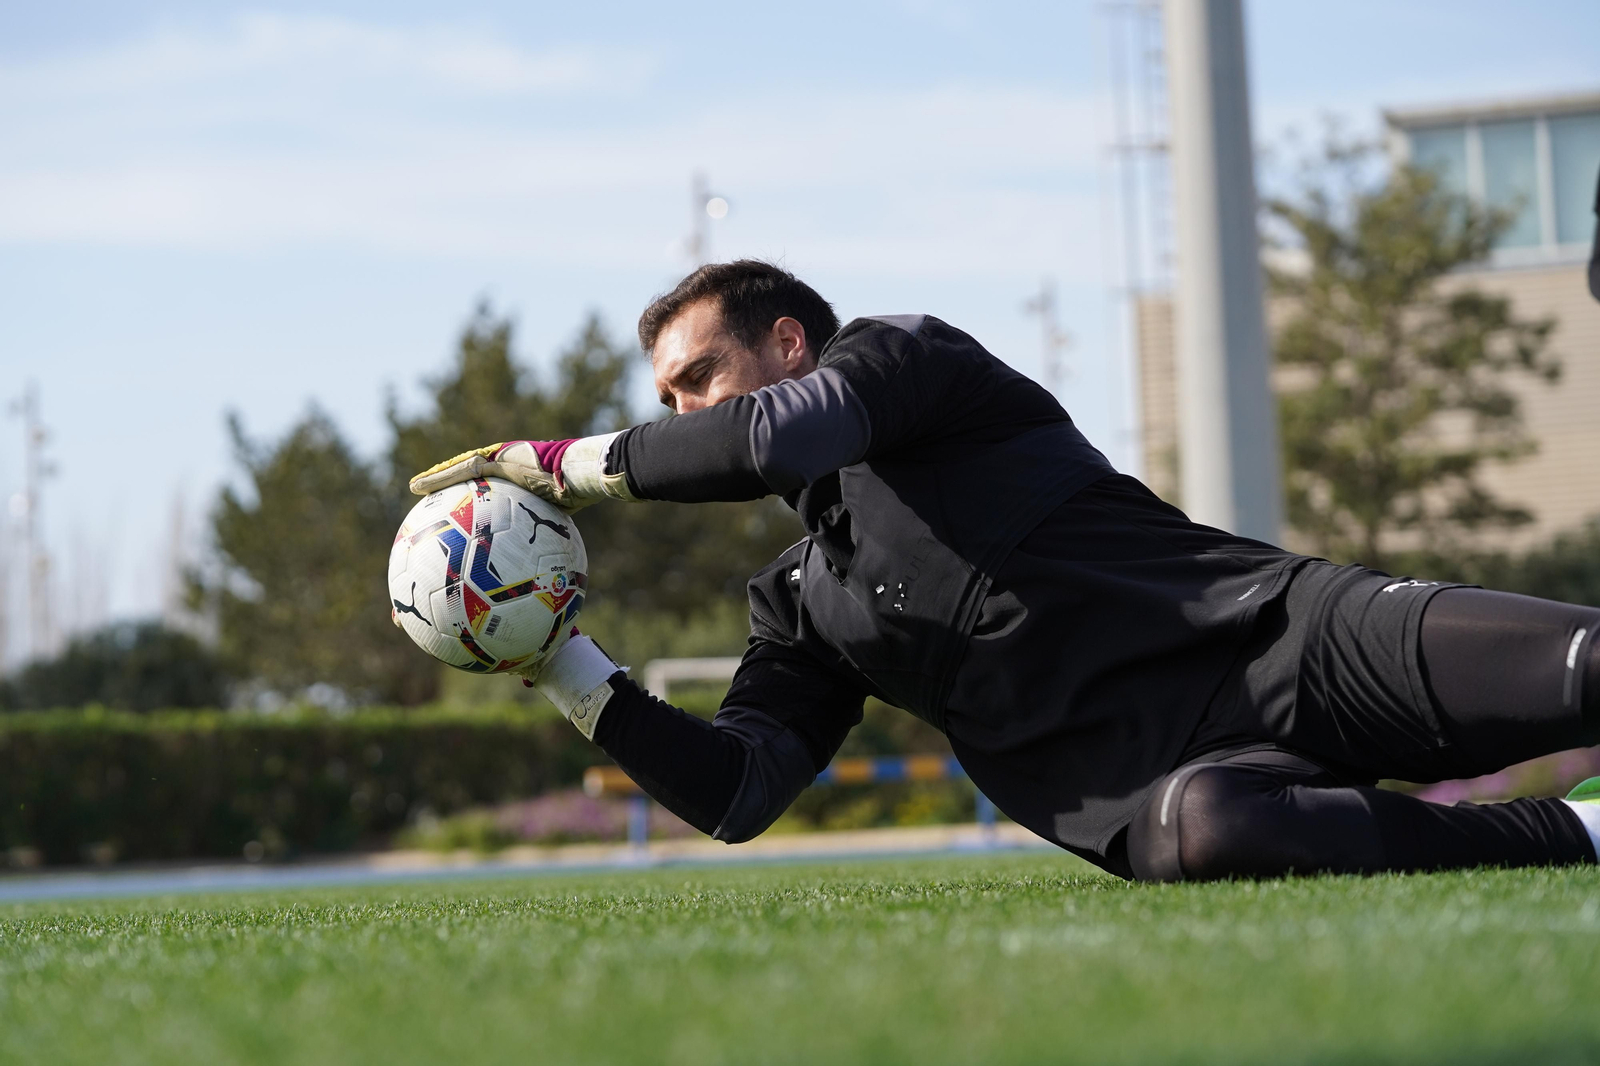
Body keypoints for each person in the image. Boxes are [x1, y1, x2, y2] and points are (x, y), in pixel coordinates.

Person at [411, 260, 1600, 881]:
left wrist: (559, 463)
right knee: (1208, 833)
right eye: (664, 401)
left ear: (788, 343)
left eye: (696, 380)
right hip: (1176, 788)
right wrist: (561, 663)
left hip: (1286, 638)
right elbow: (739, 791)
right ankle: (1574, 834)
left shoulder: (906, 365)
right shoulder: (798, 603)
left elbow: (776, 437)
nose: (680, 416)